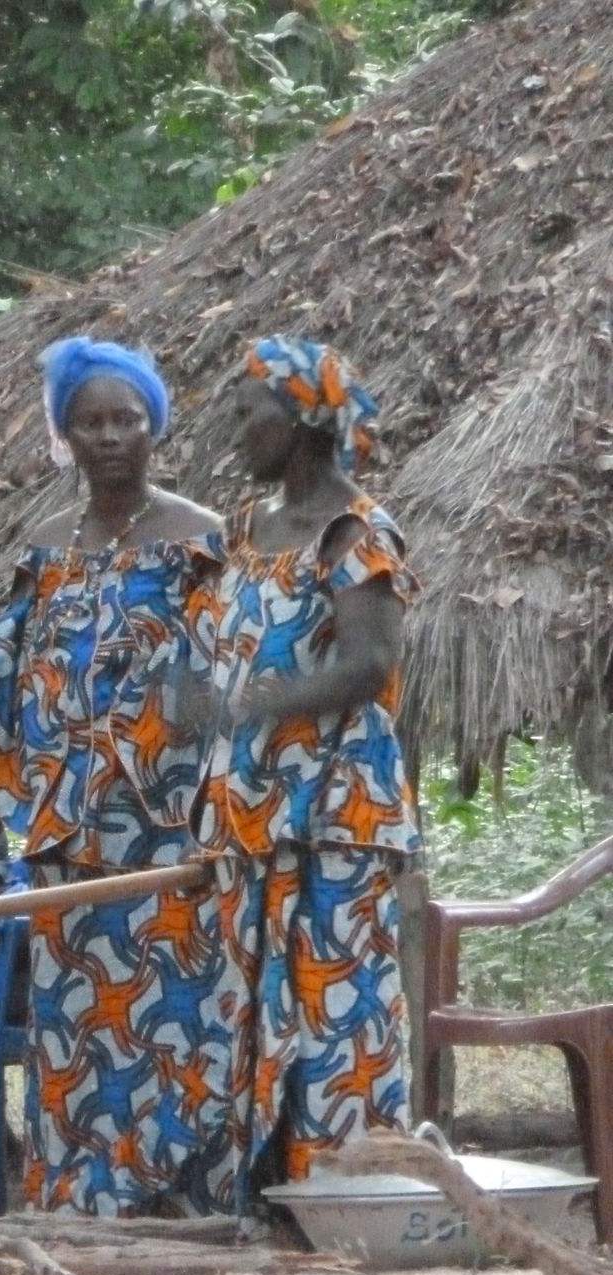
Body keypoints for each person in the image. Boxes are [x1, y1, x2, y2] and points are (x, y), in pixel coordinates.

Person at [0, 335, 237, 1217]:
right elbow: (8, 688)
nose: (111, 435)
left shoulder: (202, 539)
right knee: (77, 1023)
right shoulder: (44, 550)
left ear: (154, 425)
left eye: (127, 418)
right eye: (91, 422)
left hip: (172, 832)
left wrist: (225, 807)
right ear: (66, 437)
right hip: (68, 839)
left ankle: (181, 1196)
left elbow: (233, 680)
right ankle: (82, 1196)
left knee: (182, 1016)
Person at [194, 334, 422, 1214]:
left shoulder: (356, 534)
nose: (237, 429)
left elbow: (368, 665)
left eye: (250, 412)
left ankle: (349, 1199)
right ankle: (268, 1195)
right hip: (253, 813)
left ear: (300, 419)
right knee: (254, 1008)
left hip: (335, 813)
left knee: (338, 1016)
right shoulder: (246, 530)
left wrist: (254, 704)